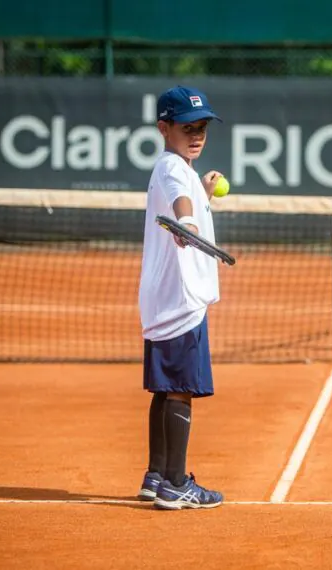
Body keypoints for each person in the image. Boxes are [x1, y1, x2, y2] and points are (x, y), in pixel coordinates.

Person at [136, 85, 226, 509]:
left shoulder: (179, 169)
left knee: (165, 387)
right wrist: (189, 218)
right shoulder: (172, 168)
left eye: (203, 127)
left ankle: (156, 476)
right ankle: (175, 483)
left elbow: (186, 197)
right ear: (164, 128)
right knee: (181, 389)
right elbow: (180, 201)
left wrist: (201, 199)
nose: (197, 134)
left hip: (164, 298)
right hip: (181, 299)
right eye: (188, 127)